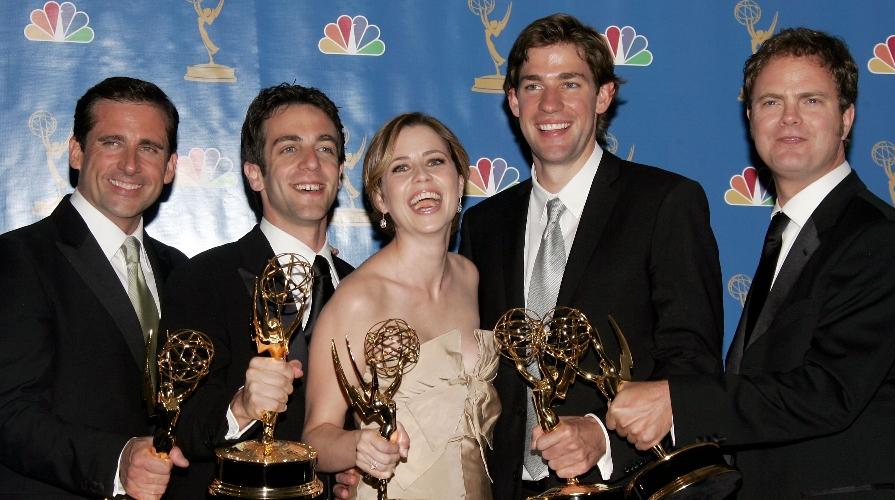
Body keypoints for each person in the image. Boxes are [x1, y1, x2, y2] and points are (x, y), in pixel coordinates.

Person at [606, 28, 895, 498]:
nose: (788, 119)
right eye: (770, 102)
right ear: (749, 119)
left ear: (846, 118)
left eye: (810, 101)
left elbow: (829, 392)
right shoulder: (788, 233)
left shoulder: (880, 238)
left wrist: (677, 400)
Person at [458, 13, 725, 499]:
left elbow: (692, 367)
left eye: (570, 83)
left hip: (627, 485)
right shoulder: (483, 225)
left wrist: (602, 436)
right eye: (533, 86)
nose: (550, 104)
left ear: (603, 96)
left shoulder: (665, 202)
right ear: (513, 101)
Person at [160, 83, 354, 498]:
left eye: (325, 148)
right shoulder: (201, 280)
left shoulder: (365, 286)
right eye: (288, 149)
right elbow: (179, 428)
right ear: (254, 173)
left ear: (340, 168)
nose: (311, 164)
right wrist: (242, 406)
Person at [0, 77, 188, 499]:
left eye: (149, 148)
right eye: (112, 143)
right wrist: (116, 461)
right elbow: (8, 412)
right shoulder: (17, 259)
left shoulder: (180, 271)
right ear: (76, 152)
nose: (130, 165)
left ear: (170, 166)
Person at [303, 112, 500, 499]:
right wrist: (357, 447)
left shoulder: (470, 277)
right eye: (401, 167)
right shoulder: (356, 300)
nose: (422, 178)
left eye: (435, 161)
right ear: (380, 198)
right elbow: (314, 438)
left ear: (459, 183)